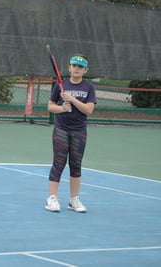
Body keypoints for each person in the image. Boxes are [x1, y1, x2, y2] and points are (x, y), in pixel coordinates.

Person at [45, 54, 96, 213]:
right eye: (74, 65)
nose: (76, 69)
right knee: (58, 163)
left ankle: (74, 200)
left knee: (76, 165)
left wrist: (72, 100)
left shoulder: (89, 88)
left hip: (79, 131)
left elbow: (89, 110)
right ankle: (52, 199)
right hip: (61, 129)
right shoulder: (61, 86)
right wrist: (62, 108)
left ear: (85, 70)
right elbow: (50, 106)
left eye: (80, 67)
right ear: (69, 67)